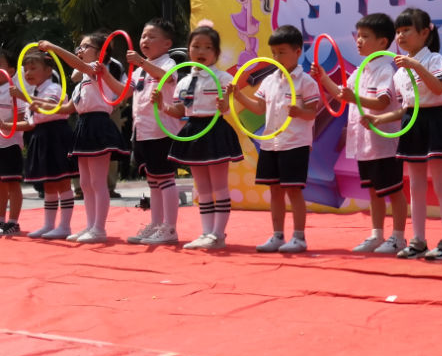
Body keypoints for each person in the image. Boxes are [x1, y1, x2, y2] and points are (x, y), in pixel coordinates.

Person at [362, 8, 442, 260]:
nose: (401, 36)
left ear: (424, 33)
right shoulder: (399, 72)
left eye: (406, 30)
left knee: (441, 185)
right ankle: (418, 240)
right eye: (398, 31)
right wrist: (378, 119)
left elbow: (438, 87)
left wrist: (416, 66)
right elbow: (405, 109)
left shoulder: (434, 60)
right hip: (413, 125)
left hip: (436, 122)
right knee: (416, 187)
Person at [312, 14, 408, 254]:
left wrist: (354, 98)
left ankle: (398, 237)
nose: (359, 40)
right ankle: (377, 235)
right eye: (358, 35)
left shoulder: (385, 69)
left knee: (393, 190)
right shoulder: (360, 70)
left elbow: (382, 102)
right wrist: (322, 77)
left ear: (382, 42)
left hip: (384, 144)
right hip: (365, 144)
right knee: (374, 191)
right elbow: (341, 94)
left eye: (365, 36)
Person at [229, 25, 319, 254]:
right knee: (275, 190)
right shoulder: (269, 80)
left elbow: (312, 112)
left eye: (282, 52)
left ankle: (299, 237)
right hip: (270, 143)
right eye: (274, 53)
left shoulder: (306, 82)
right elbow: (259, 108)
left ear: (297, 52)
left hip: (295, 143)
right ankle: (277, 236)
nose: (276, 57)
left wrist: (299, 112)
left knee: (294, 191)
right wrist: (238, 96)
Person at [154, 22, 243, 250]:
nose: (201, 51)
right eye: (196, 46)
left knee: (219, 185)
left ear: (216, 53)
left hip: (215, 131)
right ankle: (206, 232)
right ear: (188, 49)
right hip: (193, 131)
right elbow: (179, 111)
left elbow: (228, 109)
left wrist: (224, 105)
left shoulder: (222, 78)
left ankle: (218, 234)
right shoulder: (184, 81)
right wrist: (162, 105)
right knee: (202, 187)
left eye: (207, 47)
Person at [37, 34, 130, 243]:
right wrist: (39, 105)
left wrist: (53, 47)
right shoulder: (82, 82)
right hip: (84, 126)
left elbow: (77, 64)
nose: (80, 50)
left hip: (99, 126)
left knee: (97, 181)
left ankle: (99, 228)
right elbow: (68, 108)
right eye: (78, 47)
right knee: (86, 183)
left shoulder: (98, 69)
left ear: (100, 53)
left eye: (85, 46)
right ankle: (90, 226)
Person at [101, 19, 184, 244]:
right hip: (142, 132)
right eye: (144, 36)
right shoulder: (138, 71)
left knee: (165, 179)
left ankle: (170, 228)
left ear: (167, 44)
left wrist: (140, 61)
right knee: (153, 181)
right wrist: (104, 74)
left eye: (152, 36)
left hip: (161, 131)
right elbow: (122, 91)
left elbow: (165, 76)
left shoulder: (168, 63)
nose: (145, 40)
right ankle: (157, 224)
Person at [7, 49, 78, 239]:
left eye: (33, 68)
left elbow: (50, 106)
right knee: (48, 183)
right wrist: (6, 125)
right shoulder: (34, 91)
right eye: (26, 69)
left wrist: (23, 96)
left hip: (56, 134)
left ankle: (65, 226)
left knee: (62, 181)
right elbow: (30, 123)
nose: (28, 73)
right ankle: (49, 225)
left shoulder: (54, 88)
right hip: (41, 136)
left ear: (48, 70)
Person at [0, 49, 27, 236]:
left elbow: (23, 115)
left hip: (10, 143)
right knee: (1, 184)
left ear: (10, 70)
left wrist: (6, 125)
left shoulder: (13, 90)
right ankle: (1, 219)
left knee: (12, 183)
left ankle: (13, 222)